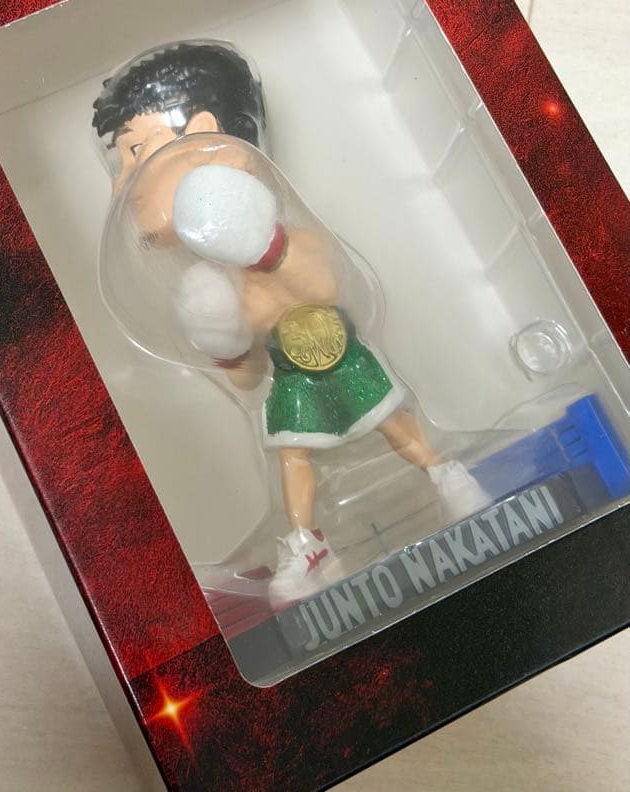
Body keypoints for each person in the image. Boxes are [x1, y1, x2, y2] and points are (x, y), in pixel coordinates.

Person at [93, 40, 490, 606]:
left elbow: (327, 287)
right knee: (292, 455)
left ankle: (445, 473)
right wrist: (223, 341)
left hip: (339, 350)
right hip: (290, 373)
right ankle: (307, 543)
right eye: (120, 166)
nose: (122, 188)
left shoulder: (278, 234)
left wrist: (263, 248)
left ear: (207, 141)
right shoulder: (210, 282)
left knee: (390, 419)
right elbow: (246, 378)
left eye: (135, 153)